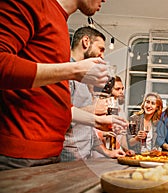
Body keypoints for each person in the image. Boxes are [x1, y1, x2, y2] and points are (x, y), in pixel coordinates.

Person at [0, 0, 127, 170]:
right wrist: (74, 70)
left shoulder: (61, 22)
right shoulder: (35, 4)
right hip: (20, 153)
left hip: (50, 153)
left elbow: (58, 103)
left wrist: (97, 121)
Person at [61, 26, 126, 161]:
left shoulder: (83, 77)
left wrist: (107, 152)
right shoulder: (66, 72)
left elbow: (87, 127)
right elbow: (59, 116)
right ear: (86, 42)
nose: (102, 56)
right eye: (101, 49)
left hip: (84, 155)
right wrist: (94, 109)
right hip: (69, 155)